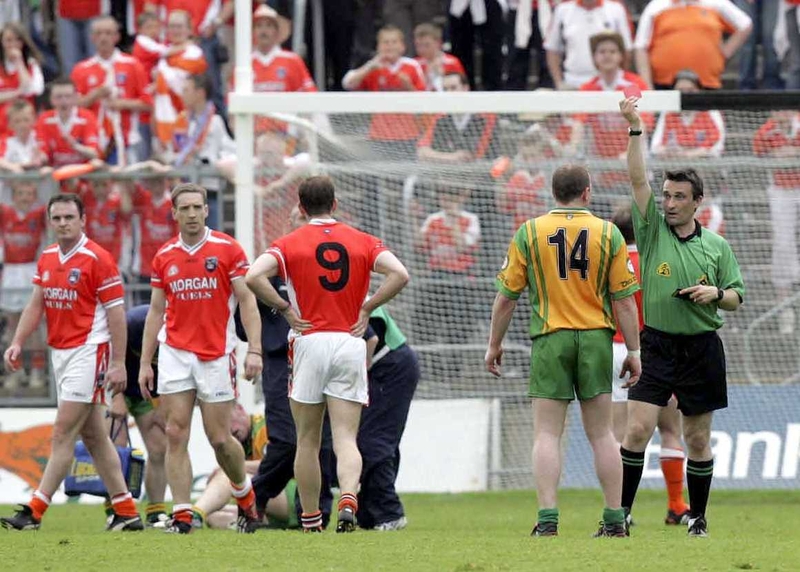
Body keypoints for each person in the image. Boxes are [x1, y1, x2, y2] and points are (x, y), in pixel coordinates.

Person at [245, 175, 410, 533]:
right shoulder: (361, 240)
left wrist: (285, 309)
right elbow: (400, 273)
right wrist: (368, 307)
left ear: (301, 207)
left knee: (307, 438)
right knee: (347, 436)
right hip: (349, 341)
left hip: (310, 339)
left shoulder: (289, 242)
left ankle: (311, 519)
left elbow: (253, 276)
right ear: (335, 204)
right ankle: (349, 497)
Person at [485, 164, 642, 538]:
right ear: (587, 193)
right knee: (603, 433)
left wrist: (494, 344)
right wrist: (634, 349)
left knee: (546, 434)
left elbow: (507, 298)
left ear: (553, 193)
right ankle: (615, 519)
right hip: (595, 338)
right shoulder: (608, 233)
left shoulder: (529, 232)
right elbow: (624, 302)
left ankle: (548, 520)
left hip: (550, 337)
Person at [619, 96, 745, 537]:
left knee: (696, 438)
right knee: (636, 431)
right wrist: (635, 128)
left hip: (701, 348)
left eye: (678, 197)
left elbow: (736, 297)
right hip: (656, 344)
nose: (669, 203)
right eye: (667, 195)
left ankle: (698, 518)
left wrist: (715, 293)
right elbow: (637, 180)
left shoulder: (717, 247)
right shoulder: (652, 231)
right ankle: (620, 517)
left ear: (697, 202)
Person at [1, 193, 143, 532]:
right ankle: (126, 511)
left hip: (90, 351)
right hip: (61, 354)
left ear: (83, 220)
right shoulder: (48, 257)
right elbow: (37, 303)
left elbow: (116, 316)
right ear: (50, 222)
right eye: (57, 218)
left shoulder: (99, 259)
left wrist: (119, 363)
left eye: (69, 217)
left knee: (63, 431)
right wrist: (17, 341)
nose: (63, 223)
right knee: (95, 437)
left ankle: (33, 512)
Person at [137, 182, 264, 534]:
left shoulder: (228, 249)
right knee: (175, 432)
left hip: (216, 355)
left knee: (220, 440)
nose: (192, 214)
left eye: (197, 207)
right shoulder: (164, 256)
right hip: (175, 353)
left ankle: (244, 496)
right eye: (185, 208)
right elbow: (156, 311)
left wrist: (253, 348)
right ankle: (181, 515)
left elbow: (248, 302)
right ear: (174, 213)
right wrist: (147, 362)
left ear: (206, 210)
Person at [610, 204, 690, 526]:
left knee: (620, 435)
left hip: (616, 350)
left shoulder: (611, 264)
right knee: (670, 430)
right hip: (658, 351)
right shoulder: (660, 263)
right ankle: (676, 505)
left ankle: (618, 510)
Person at [358, 306, 420, 531]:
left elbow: (370, 339)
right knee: (373, 441)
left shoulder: (350, 295)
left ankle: (389, 513)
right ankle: (368, 513)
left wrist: (358, 376)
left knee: (374, 441)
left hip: (391, 367)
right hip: (390, 365)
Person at [107, 304, 168, 527]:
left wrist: (164, 404)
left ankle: (156, 512)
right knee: (115, 449)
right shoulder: (132, 323)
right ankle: (116, 511)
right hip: (115, 385)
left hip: (146, 393)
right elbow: (110, 355)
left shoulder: (178, 329)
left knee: (160, 447)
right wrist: (116, 397)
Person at [71, 16, 152, 166]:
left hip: (126, 138)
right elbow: (72, 107)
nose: (104, 38)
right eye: (99, 33)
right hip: (93, 141)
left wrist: (121, 104)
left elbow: (148, 103)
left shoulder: (132, 64)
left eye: (108, 33)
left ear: (117, 37)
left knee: (128, 184)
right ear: (92, 37)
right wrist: (93, 96)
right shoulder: (81, 69)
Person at [753, 109, 800, 334]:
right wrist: (777, 156)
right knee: (782, 243)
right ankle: (785, 306)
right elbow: (760, 157)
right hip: (781, 189)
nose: (780, 115)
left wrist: (793, 152)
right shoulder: (766, 131)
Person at [634, 0, 751, 89]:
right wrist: (647, 86)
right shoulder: (656, 6)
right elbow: (640, 46)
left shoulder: (717, 3)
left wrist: (726, 51)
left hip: (707, 84)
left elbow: (745, 24)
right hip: (664, 85)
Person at [191, 403, 270, 529]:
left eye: (228, 421)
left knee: (229, 476)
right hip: (268, 501)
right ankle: (257, 524)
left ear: (240, 409)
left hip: (291, 491)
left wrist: (234, 467)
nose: (230, 430)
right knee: (212, 515)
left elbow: (276, 466)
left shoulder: (265, 427)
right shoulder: (236, 442)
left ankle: (193, 515)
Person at [0, 181, 48, 391]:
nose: (24, 198)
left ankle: (37, 371)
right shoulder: (5, 213)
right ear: (13, 195)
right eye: (20, 193)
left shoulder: (38, 214)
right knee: (12, 325)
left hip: (30, 270)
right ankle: (15, 371)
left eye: (29, 193)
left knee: (34, 326)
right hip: (10, 272)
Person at [544, 0, 633, 90]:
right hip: (573, 82)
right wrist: (559, 82)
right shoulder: (562, 10)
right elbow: (552, 49)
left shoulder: (616, 9)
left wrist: (618, 79)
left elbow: (626, 50)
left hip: (606, 84)